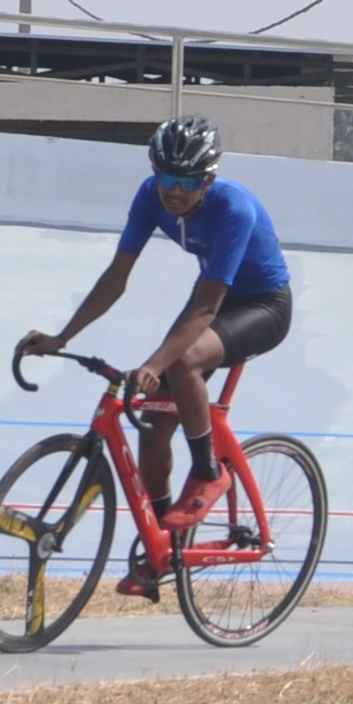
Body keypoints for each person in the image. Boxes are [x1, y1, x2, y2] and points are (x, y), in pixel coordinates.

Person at [20, 116, 294, 598]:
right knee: (153, 422)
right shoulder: (150, 197)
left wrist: (155, 364)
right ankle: (162, 543)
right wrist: (62, 337)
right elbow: (116, 278)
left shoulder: (233, 209)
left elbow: (207, 306)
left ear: (208, 179)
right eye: (165, 177)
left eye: (186, 182)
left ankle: (210, 474)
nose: (173, 191)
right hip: (214, 300)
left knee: (181, 361)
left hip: (262, 306)